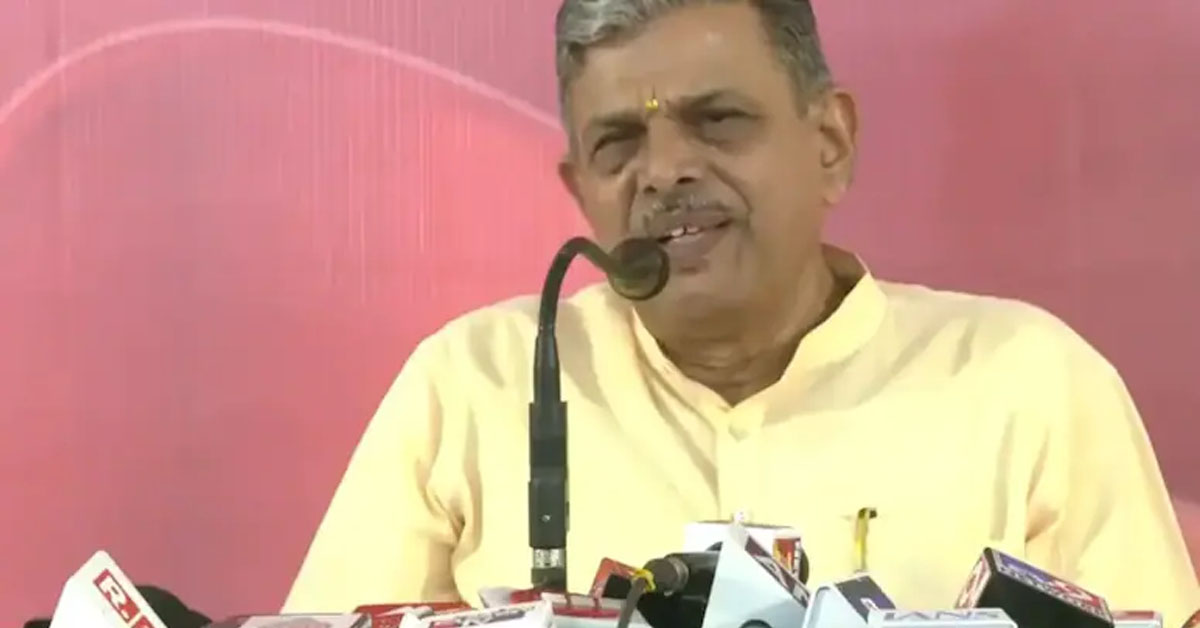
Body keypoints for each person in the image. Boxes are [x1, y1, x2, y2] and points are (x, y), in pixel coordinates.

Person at [282, 0, 1200, 624]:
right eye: (618, 142)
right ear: (579, 190)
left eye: (717, 120)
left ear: (830, 142)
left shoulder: (1028, 386)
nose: (665, 170)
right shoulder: (473, 384)